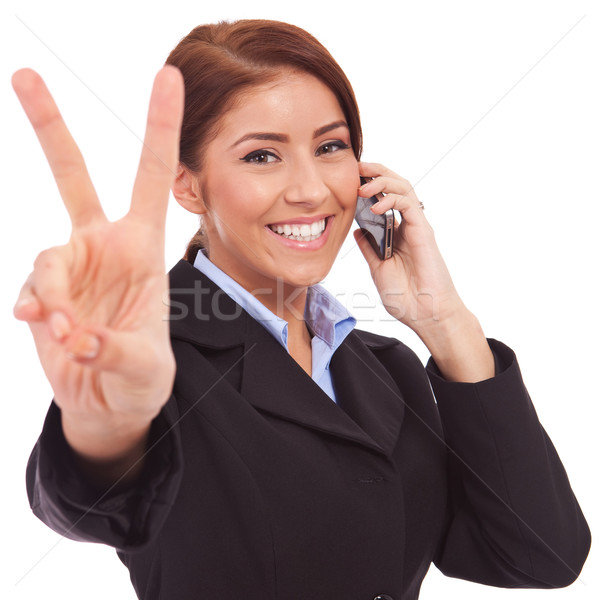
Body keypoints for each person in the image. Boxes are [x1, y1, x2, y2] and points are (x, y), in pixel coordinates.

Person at [14, 19, 590, 600]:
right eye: (262, 156)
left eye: (330, 147)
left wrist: (446, 324)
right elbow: (88, 508)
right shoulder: (149, 357)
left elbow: (541, 555)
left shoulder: (390, 370)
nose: (311, 189)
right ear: (188, 186)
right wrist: (101, 421)